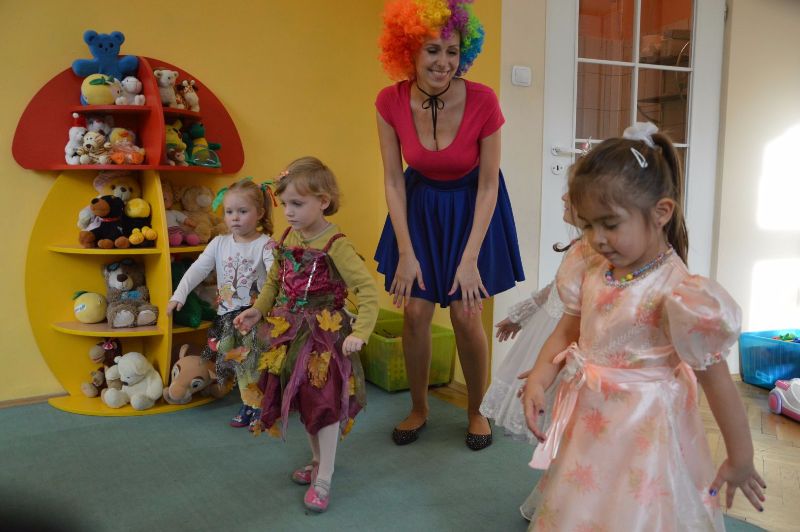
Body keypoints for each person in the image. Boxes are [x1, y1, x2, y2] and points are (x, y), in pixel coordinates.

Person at [521, 123, 766, 530]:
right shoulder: (589, 265)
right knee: (587, 494)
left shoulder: (680, 294)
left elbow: (718, 383)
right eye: (588, 225)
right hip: (592, 415)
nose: (598, 239)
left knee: (636, 508)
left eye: (610, 224)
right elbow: (567, 332)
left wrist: (741, 457)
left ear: (661, 212)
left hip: (647, 428)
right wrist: (539, 377)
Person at [374, 0, 524, 451]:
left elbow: (489, 184)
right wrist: (405, 251)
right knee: (415, 312)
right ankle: (419, 407)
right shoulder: (389, 101)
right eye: (433, 50)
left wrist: (470, 258)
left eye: (453, 51)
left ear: (464, 52)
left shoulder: (484, 100)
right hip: (419, 208)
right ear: (409, 52)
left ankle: (477, 410)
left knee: (465, 312)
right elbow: (393, 180)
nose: (444, 62)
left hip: (473, 209)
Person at [234, 157, 379, 513]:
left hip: (324, 337)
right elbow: (274, 282)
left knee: (324, 402)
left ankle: (325, 475)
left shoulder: (337, 244)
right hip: (289, 330)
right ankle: (316, 461)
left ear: (323, 201)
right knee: (302, 398)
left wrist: (361, 332)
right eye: (285, 204)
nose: (288, 212)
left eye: (297, 204)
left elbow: (367, 290)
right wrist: (258, 310)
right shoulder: (288, 236)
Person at [167, 178, 275, 430]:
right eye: (229, 212)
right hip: (227, 317)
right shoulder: (219, 243)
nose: (234, 218)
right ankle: (251, 400)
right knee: (232, 358)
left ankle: (257, 405)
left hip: (253, 317)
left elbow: (274, 279)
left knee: (251, 362)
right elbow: (197, 270)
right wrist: (178, 295)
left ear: (259, 213)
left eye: (242, 211)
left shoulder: (266, 245)